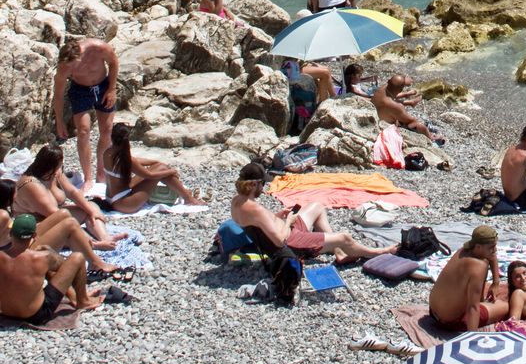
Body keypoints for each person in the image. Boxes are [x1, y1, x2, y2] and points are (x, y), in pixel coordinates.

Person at [229, 162, 398, 265]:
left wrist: (278, 215)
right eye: (261, 184)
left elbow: (260, 224)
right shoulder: (254, 208)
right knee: (345, 237)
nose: (263, 188)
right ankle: (377, 252)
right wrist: (288, 221)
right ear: (253, 185)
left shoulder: (238, 202)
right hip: (291, 242)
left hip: (287, 231)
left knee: (317, 206)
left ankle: (339, 252)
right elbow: (280, 241)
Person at [0, 181, 118, 272]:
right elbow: (16, 234)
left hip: (21, 240)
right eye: (15, 193)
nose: (17, 195)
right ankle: (95, 263)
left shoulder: (4, 211)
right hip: (19, 249)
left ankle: (89, 244)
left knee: (63, 214)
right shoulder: (3, 215)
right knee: (70, 224)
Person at [14, 145, 119, 245]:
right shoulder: (32, 185)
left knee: (92, 206)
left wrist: (92, 212)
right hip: (34, 226)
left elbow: (72, 192)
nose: (60, 168)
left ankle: (104, 237)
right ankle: (92, 243)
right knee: (69, 223)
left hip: (55, 215)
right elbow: (56, 215)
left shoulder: (54, 173)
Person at [53, 37, 118, 190]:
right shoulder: (64, 67)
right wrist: (60, 121)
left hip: (103, 85)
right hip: (80, 90)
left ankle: (101, 174)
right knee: (83, 131)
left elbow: (114, 63)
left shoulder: (99, 48)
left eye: (73, 65)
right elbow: (58, 95)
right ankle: (88, 178)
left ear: (80, 56)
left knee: (106, 130)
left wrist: (112, 89)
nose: (71, 69)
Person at [0, 231, 103, 324]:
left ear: (11, 234)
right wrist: (50, 253)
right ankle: (83, 301)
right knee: (77, 258)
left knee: (42, 269)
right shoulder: (42, 258)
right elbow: (68, 267)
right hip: (37, 315)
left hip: (6, 313)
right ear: (34, 236)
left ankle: (73, 297)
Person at [101, 124, 205, 213]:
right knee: (162, 170)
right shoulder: (125, 158)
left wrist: (156, 162)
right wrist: (172, 171)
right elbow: (148, 175)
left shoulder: (108, 152)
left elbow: (136, 161)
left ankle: (186, 194)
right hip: (124, 203)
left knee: (160, 167)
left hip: (112, 198)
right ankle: (188, 198)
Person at [429, 225, 508, 331]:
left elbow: (492, 255)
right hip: (450, 322)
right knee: (506, 306)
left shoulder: (462, 251)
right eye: (491, 247)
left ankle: (481, 301)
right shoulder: (479, 267)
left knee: (485, 262)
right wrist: (472, 338)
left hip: (433, 312)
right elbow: (473, 308)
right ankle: (482, 304)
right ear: (478, 247)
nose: (495, 250)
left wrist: (496, 282)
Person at [372, 76, 444, 145]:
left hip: (380, 112)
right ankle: (431, 138)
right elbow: (412, 123)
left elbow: (392, 94)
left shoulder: (382, 89)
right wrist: (427, 133)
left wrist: (405, 89)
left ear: (388, 81)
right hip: (388, 122)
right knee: (418, 124)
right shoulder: (397, 107)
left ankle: (410, 102)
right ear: (400, 89)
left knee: (391, 101)